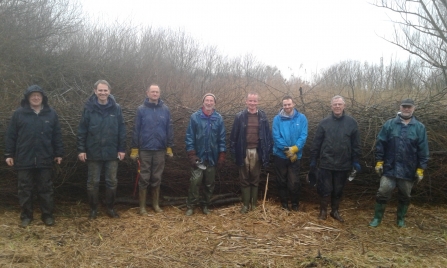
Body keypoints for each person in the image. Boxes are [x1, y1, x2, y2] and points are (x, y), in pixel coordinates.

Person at [5, 85, 64, 227]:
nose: (36, 98)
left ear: (43, 97)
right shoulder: (19, 114)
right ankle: (26, 216)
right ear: (27, 98)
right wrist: (9, 154)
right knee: (25, 189)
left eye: (38, 95)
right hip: (24, 158)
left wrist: (59, 153)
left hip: (45, 157)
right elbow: (11, 135)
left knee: (46, 188)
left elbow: (57, 135)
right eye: (33, 95)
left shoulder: (51, 114)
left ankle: (47, 215)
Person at [369, 98, 429, 228]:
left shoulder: (419, 127)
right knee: (383, 192)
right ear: (400, 107)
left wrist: (420, 169)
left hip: (408, 169)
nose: (406, 109)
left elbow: (423, 150)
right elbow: (381, 144)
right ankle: (377, 218)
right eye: (404, 106)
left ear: (414, 108)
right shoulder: (389, 124)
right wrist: (379, 162)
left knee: (405, 195)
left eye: (409, 107)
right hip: (390, 168)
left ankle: (400, 219)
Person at [77, 80, 126, 219]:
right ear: (95, 91)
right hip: (93, 151)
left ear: (109, 91)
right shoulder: (88, 108)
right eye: (100, 90)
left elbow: (122, 129)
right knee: (93, 182)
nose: (103, 93)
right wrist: (81, 150)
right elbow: (82, 130)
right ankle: (93, 209)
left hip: (112, 152)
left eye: (105, 90)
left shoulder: (116, 108)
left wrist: (122, 149)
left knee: (112, 181)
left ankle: (110, 208)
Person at [310, 95, 361, 222]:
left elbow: (356, 144)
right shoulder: (324, 123)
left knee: (338, 189)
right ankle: (323, 212)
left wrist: (355, 160)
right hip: (326, 162)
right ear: (331, 106)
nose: (337, 106)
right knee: (324, 188)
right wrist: (313, 160)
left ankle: (335, 211)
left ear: (344, 106)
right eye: (335, 104)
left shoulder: (351, 123)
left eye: (339, 104)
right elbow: (316, 143)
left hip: (343, 163)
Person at [130, 84, 174, 215]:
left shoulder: (165, 110)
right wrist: (134, 148)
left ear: (159, 94)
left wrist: (169, 146)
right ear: (147, 93)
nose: (155, 94)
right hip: (145, 149)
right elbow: (136, 129)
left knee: (157, 177)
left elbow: (169, 129)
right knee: (144, 177)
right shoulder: (141, 110)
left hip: (160, 149)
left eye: (157, 92)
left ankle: (155, 204)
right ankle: (142, 207)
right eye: (152, 92)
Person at [230, 93, 272, 213]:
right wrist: (234, 154)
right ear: (246, 102)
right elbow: (233, 136)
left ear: (257, 102)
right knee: (244, 178)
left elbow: (267, 136)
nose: (252, 103)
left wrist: (267, 152)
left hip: (257, 151)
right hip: (243, 151)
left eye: (254, 101)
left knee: (255, 177)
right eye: (250, 101)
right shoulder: (239, 116)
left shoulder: (263, 117)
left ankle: (253, 204)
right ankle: (245, 205)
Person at [185, 93, 226, 216]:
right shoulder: (195, 117)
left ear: (214, 103)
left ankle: (205, 205)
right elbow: (189, 137)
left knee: (209, 184)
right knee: (195, 182)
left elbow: (222, 138)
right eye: (207, 100)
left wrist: (222, 154)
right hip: (199, 157)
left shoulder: (218, 118)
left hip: (212, 157)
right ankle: (191, 206)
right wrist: (192, 154)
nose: (209, 103)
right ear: (203, 102)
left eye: (211, 101)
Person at [272, 96, 308, 211]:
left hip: (295, 156)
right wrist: (288, 151)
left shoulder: (302, 118)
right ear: (282, 106)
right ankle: (284, 204)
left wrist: (295, 148)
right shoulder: (277, 119)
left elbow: (303, 135)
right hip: (280, 156)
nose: (287, 107)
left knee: (294, 181)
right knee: (281, 180)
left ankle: (295, 204)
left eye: (289, 104)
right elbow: (276, 137)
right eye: (285, 105)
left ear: (294, 104)